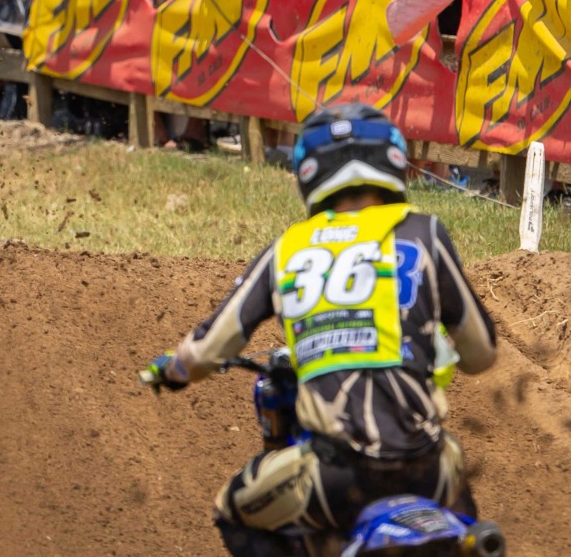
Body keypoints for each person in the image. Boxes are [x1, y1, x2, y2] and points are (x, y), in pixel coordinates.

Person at [140, 102, 497, 555]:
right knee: (462, 503)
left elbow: (208, 349)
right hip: (426, 469)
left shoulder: (289, 249)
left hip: (335, 478)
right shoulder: (425, 234)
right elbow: (482, 353)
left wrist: (172, 371)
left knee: (230, 509)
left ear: (308, 171)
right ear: (392, 159)